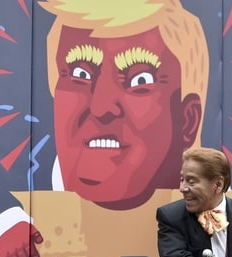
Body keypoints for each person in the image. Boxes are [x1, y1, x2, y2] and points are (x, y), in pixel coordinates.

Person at [41, 0, 208, 210]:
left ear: (187, 120)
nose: (100, 107)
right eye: (80, 74)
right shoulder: (23, 227)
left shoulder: (218, 225)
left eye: (140, 80)